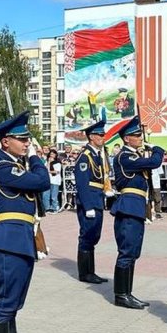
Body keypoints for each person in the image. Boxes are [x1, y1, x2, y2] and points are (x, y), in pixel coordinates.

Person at [0, 112, 50, 333]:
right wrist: (35, 157)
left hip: (20, 240)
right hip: (7, 241)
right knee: (4, 304)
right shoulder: (1, 167)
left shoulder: (15, 166)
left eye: (27, 139)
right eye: (21, 139)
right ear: (5, 141)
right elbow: (42, 181)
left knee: (14, 304)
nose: (26, 143)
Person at [109, 116, 164, 310]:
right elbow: (155, 162)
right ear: (126, 139)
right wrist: (157, 149)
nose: (140, 137)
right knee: (127, 252)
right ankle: (121, 294)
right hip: (129, 205)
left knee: (133, 252)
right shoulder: (126, 157)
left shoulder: (134, 155)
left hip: (137, 205)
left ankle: (127, 292)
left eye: (140, 134)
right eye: (136, 135)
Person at [73, 119, 111, 285]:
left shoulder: (98, 155)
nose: (103, 137)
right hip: (89, 202)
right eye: (100, 135)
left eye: (103, 134)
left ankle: (91, 271)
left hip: (97, 199)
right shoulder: (85, 157)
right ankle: (85, 273)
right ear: (91, 137)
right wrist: (88, 206)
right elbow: (82, 184)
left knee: (94, 236)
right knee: (87, 236)